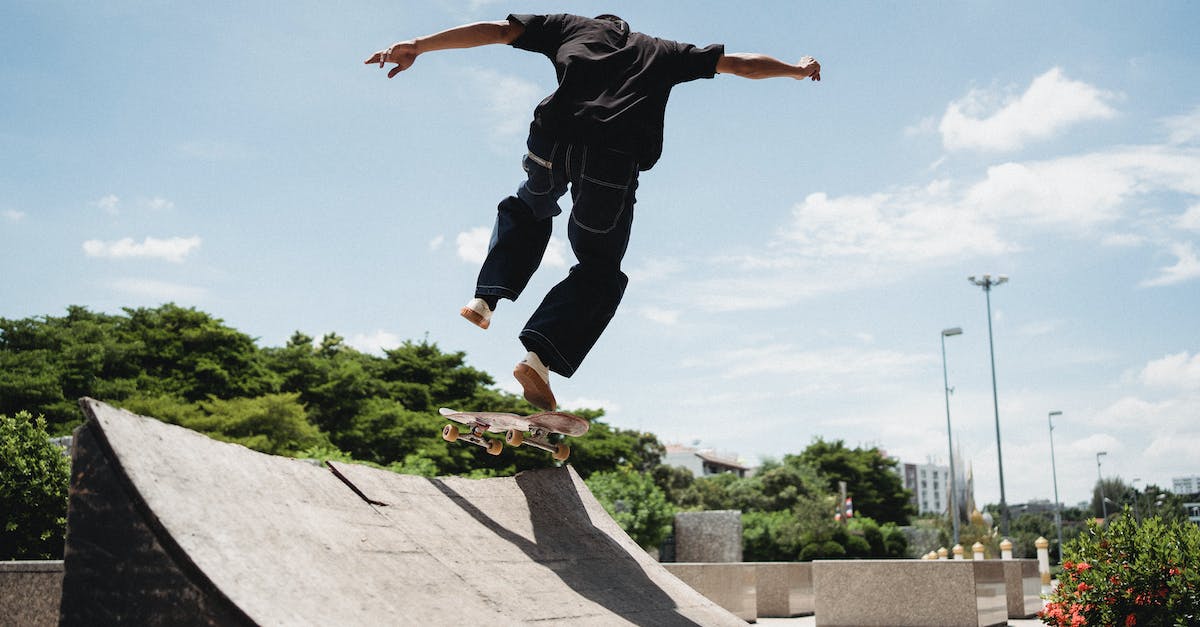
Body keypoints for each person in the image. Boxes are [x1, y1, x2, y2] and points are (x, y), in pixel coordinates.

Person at [367, 14, 820, 411]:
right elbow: (740, 64)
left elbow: (494, 31)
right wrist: (795, 71)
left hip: (551, 143)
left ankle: (485, 299)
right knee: (599, 268)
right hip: (611, 161)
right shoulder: (665, 52)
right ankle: (537, 359)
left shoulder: (569, 26)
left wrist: (417, 46)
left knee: (529, 206)